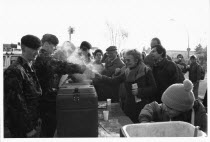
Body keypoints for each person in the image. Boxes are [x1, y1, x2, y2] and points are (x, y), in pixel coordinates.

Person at [33, 34, 86, 137]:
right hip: (45, 102)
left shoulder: (44, 57)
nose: (54, 49)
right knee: (47, 131)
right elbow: (61, 66)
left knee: (49, 129)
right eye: (54, 46)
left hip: (47, 100)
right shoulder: (42, 57)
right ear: (47, 44)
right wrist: (82, 68)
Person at [94, 49, 157, 123]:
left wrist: (139, 91)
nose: (126, 62)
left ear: (136, 60)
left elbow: (153, 89)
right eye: (125, 60)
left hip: (141, 107)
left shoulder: (146, 71)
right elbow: (114, 81)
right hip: (129, 107)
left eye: (128, 60)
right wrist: (102, 77)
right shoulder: (127, 71)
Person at [4, 35, 42, 137]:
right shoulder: (14, 70)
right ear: (24, 48)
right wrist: (28, 129)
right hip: (22, 128)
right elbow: (16, 104)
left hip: (33, 122)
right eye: (34, 49)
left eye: (38, 49)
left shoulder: (28, 67)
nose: (37, 53)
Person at [139, 79, 207, 134]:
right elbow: (151, 107)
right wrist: (144, 121)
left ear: (183, 109)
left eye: (171, 108)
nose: (166, 109)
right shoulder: (166, 109)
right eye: (165, 105)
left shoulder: (199, 117)